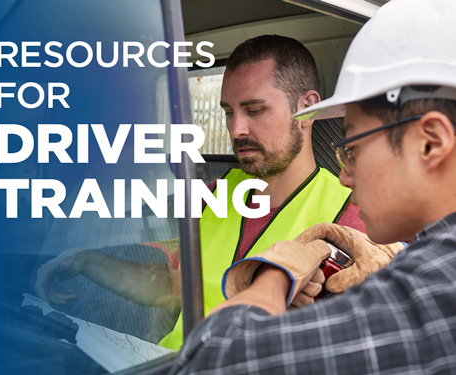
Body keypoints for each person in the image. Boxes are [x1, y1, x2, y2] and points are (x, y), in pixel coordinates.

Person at [35, 35, 384, 351]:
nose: (236, 129)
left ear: (306, 109)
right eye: (229, 112)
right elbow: (176, 285)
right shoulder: (216, 193)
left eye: (254, 110)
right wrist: (85, 260)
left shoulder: (353, 214)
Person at [167, 0, 456, 373]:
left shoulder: (432, 291)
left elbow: (214, 358)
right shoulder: (428, 265)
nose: (345, 177)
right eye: (228, 112)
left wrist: (277, 272)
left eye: (353, 148)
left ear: (430, 143)